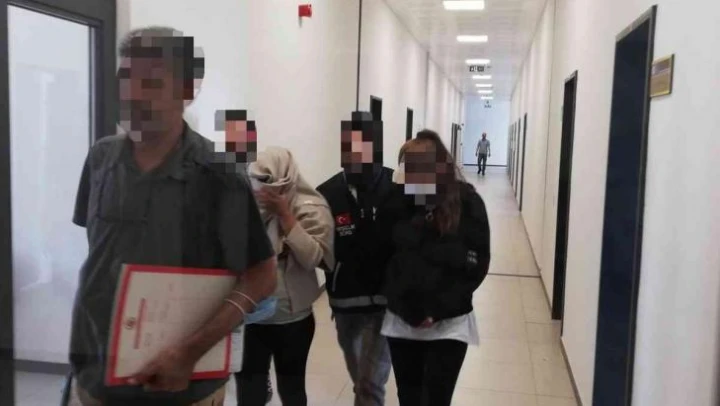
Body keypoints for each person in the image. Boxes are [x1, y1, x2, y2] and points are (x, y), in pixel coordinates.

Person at [68, 27, 277, 406]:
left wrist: (190, 352)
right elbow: (101, 252)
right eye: (126, 78)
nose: (132, 93)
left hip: (180, 387)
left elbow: (262, 274)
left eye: (151, 82)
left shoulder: (219, 175)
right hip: (95, 376)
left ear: (187, 90)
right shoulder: (100, 159)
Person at [383, 130, 491, 406]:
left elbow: (476, 266)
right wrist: (406, 305)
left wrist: (436, 310)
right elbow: (384, 257)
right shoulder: (398, 202)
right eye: (407, 167)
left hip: (448, 324)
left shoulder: (468, 204)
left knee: (436, 398)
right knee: (409, 397)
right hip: (402, 322)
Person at [316, 111, 404, 406]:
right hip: (345, 302)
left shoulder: (396, 187)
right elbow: (320, 248)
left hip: (385, 303)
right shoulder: (327, 193)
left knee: (369, 384)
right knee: (361, 379)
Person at [238, 147, 335, 406]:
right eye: (256, 180)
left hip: (292, 320)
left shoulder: (309, 206)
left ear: (285, 175)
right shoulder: (244, 203)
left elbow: (313, 258)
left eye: (267, 180)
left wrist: (285, 215)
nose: (262, 188)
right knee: (249, 392)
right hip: (249, 315)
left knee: (292, 390)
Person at [215, 109, 275, 404]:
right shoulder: (214, 178)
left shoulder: (265, 180)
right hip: (223, 283)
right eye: (231, 137)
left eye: (243, 137)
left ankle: (257, 386)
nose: (237, 144)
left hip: (256, 288)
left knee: (251, 363)